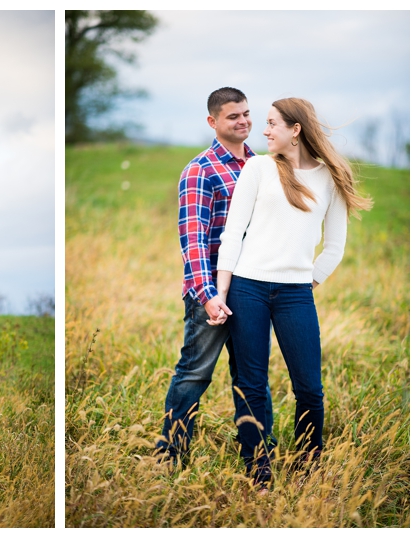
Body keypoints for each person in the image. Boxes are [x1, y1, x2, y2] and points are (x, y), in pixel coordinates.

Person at [212, 97, 372, 490]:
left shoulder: (328, 178)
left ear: (295, 129)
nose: (262, 130)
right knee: (251, 382)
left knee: (309, 388)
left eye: (271, 124)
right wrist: (221, 292)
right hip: (246, 289)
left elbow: (334, 247)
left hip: (296, 294)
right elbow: (233, 234)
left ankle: (306, 467)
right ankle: (257, 468)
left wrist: (305, 282)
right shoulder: (258, 168)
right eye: (263, 123)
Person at [156, 87, 275, 465]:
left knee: (252, 379)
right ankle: (171, 456)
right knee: (194, 374)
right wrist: (209, 296)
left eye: (246, 113)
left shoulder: (261, 167)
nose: (243, 121)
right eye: (232, 116)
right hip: (210, 294)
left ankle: (259, 458)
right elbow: (192, 243)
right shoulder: (200, 170)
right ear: (213, 122)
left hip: (253, 290)